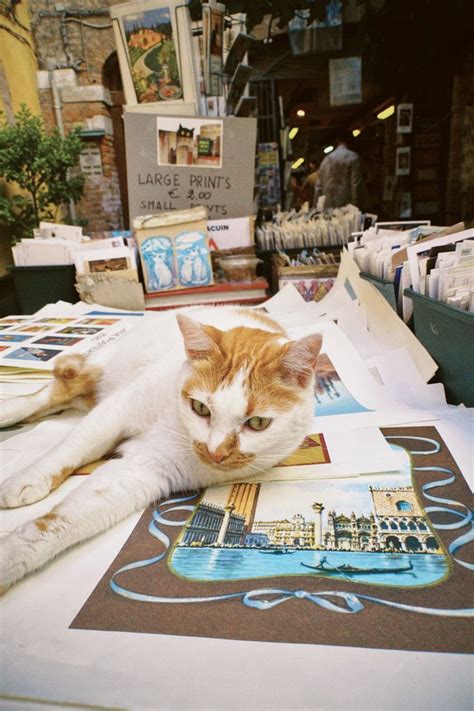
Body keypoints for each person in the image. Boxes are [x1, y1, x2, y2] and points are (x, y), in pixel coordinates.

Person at [313, 130, 363, 208]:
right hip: (347, 206)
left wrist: (315, 207)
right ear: (351, 140)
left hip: (327, 206)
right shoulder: (353, 157)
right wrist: (356, 207)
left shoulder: (326, 159)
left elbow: (318, 187)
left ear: (337, 141)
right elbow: (355, 185)